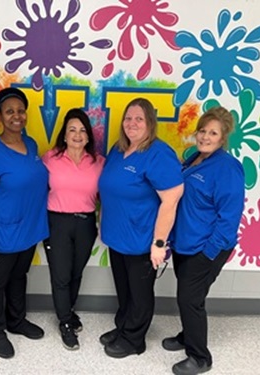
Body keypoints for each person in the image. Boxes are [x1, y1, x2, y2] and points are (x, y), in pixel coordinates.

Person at [98, 98, 184, 358]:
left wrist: (159, 243)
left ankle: (135, 339)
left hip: (141, 239)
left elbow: (171, 199)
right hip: (117, 238)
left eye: (139, 119)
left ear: (150, 123)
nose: (132, 123)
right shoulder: (118, 149)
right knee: (124, 289)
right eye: (128, 118)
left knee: (140, 293)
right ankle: (124, 327)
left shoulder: (158, 154)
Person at [163, 106, 245, 375]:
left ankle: (200, 357)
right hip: (186, 243)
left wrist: (208, 252)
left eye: (213, 133)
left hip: (207, 247)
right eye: (202, 131)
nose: (205, 137)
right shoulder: (194, 158)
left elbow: (229, 217)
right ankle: (188, 335)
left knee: (190, 299)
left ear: (223, 139)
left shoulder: (227, 168)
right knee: (187, 297)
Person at [0, 87, 49, 359]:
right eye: (9, 111)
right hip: (1, 234)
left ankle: (16, 321)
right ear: (0, 116)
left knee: (19, 277)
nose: (16, 116)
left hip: (27, 232)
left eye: (20, 110)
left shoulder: (32, 145)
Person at [42, 108, 105, 351]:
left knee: (76, 273)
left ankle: (67, 311)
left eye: (82, 130)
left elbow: (108, 195)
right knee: (61, 275)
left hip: (85, 223)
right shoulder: (50, 159)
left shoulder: (99, 163)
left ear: (88, 136)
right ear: (64, 135)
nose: (77, 135)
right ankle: (65, 322)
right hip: (57, 222)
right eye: (72, 130)